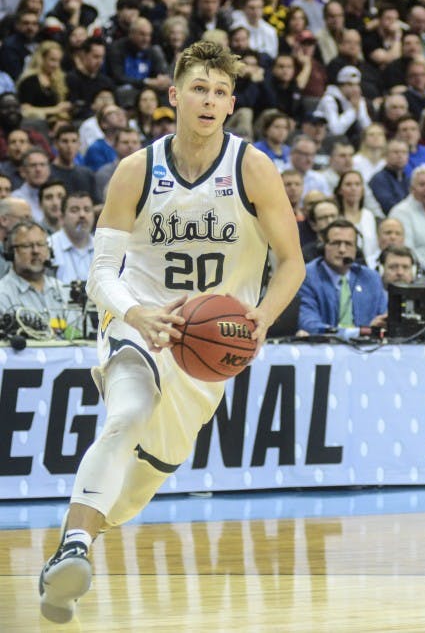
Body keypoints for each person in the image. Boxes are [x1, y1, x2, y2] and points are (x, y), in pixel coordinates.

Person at [36, 40, 306, 624]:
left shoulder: (252, 168)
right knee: (128, 412)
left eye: (218, 92)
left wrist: (259, 316)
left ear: (231, 104)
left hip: (207, 352)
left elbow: (292, 263)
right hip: (142, 323)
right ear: (174, 95)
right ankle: (74, 548)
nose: (207, 101)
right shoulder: (137, 171)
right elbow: (101, 270)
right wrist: (134, 315)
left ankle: (65, 558)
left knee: (134, 491)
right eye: (198, 89)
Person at [296, 217, 387, 335]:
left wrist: (380, 325)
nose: (342, 250)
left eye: (348, 244)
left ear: (356, 249)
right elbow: (308, 324)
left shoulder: (370, 278)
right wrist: (360, 332)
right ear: (323, 246)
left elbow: (384, 318)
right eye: (336, 243)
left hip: (367, 349)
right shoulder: (307, 276)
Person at [49, 189, 94, 283]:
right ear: (62, 218)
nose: (82, 215)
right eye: (74, 210)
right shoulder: (49, 246)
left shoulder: (102, 247)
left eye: (87, 210)